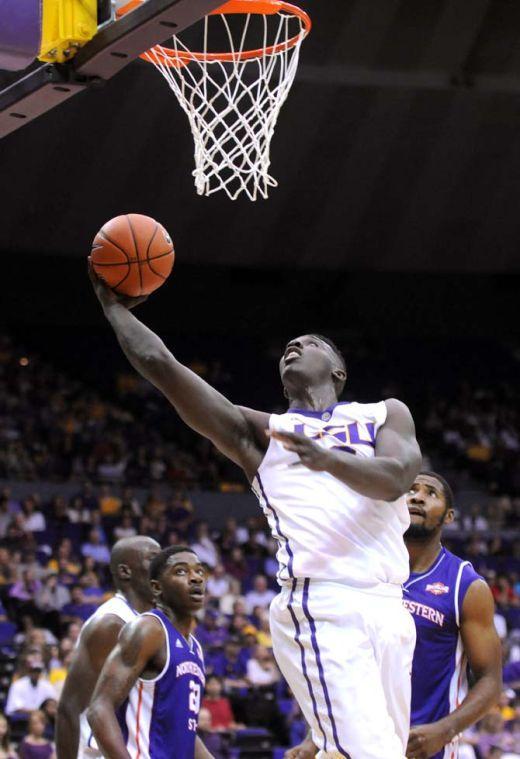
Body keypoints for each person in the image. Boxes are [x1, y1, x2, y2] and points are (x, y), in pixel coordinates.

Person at [89, 266, 421, 759]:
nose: (293, 345)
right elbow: (162, 365)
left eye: (308, 342)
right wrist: (112, 307)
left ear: (338, 370)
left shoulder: (383, 413)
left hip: (391, 608)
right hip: (321, 604)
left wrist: (328, 460)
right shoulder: (262, 434)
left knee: (380, 750)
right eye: (288, 344)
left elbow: (396, 477)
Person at [287, 471, 503, 759]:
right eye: (411, 490)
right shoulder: (362, 574)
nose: (418, 497)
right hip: (358, 743)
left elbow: (490, 681)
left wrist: (444, 730)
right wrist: (314, 739)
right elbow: (347, 669)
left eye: (431, 493)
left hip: (423, 746)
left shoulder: (465, 585)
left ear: (449, 516)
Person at [87, 546, 212, 758]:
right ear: (156, 587)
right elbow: (99, 708)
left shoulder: (195, 648)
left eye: (199, 571)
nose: (195, 578)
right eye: (181, 571)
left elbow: (185, 730)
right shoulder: (149, 629)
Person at [55, 536, 160, 759]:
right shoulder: (111, 623)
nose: (162, 566)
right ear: (125, 572)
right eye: (153, 559)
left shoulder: (153, 622)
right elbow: (69, 709)